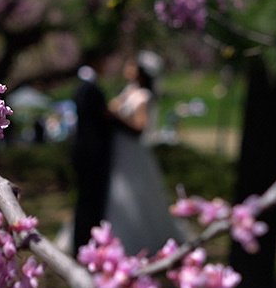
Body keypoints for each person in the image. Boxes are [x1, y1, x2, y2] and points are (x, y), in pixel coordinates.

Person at [104, 51, 188, 255]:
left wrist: (116, 118)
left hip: (132, 152)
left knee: (133, 194)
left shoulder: (143, 96)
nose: (127, 68)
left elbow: (140, 126)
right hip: (119, 150)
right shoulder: (129, 91)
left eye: (132, 65)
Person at [71, 64, 113, 251]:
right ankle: (87, 241)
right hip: (93, 155)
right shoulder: (91, 92)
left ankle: (82, 241)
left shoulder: (79, 91)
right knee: (91, 202)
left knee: (84, 201)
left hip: (82, 152)